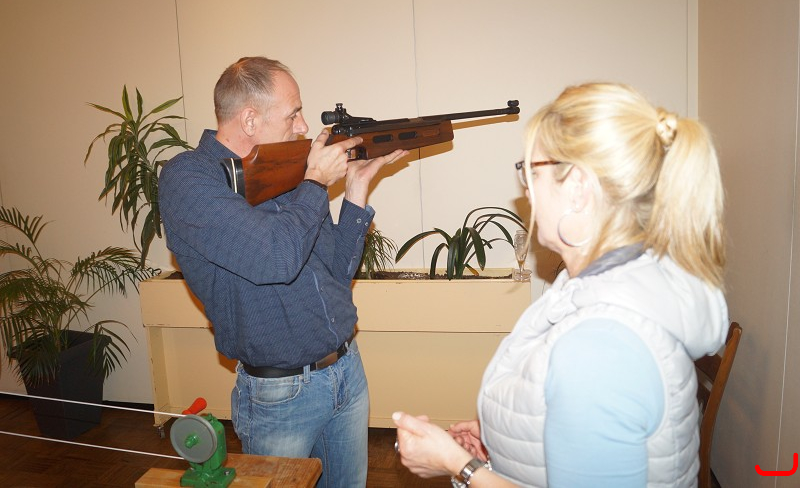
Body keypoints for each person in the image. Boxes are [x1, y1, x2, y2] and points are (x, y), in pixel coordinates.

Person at [393, 82, 729, 487]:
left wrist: (457, 464)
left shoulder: (601, 346)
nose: (526, 189)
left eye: (532, 171)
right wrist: (504, 437)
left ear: (579, 189)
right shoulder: (607, 286)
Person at [159, 56, 407, 487]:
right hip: (280, 396)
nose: (304, 126)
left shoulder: (287, 172)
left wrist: (355, 190)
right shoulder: (189, 179)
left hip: (346, 373)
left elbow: (338, 271)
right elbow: (274, 258)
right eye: (293, 114)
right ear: (249, 119)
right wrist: (315, 183)